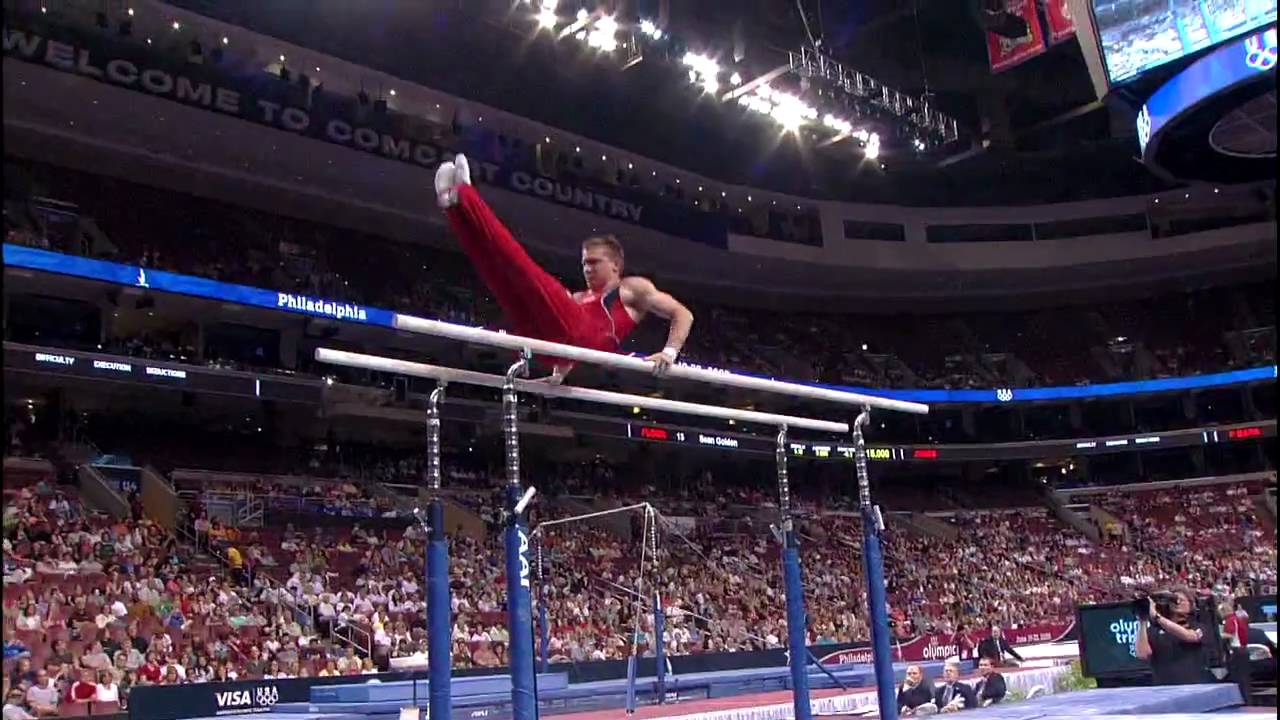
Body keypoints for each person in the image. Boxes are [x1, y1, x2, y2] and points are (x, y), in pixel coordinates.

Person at [433, 154, 694, 383]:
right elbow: (568, 343)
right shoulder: (579, 297)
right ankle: (453, 207)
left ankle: (466, 195)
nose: (587, 269)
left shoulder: (631, 288)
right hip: (553, 345)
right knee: (499, 276)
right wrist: (558, 376)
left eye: (594, 262)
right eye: (584, 263)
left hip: (576, 337)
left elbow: (683, 313)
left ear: (616, 264)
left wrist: (669, 353)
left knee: (519, 266)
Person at [1135, 588, 1213, 685]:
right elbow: (1142, 654)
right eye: (1174, 600)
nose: (1177, 602)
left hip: (1193, 686)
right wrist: (1142, 621)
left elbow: (1190, 636)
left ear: (1191, 604)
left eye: (1181, 600)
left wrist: (1157, 616)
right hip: (1165, 688)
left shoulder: (1198, 626)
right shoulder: (1155, 629)